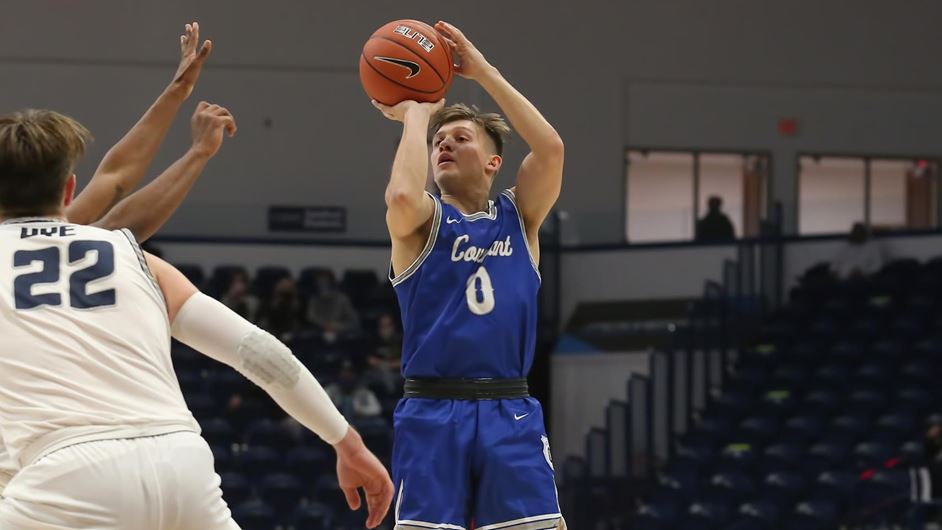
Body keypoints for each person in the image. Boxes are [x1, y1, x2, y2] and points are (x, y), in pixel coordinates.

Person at [0, 93, 393, 530]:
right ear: (69, 187)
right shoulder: (135, 256)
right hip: (180, 461)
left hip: (65, 472)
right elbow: (258, 352)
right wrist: (346, 441)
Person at [0, 21, 226, 499]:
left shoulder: (21, 237)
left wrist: (178, 94)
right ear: (65, 187)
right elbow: (118, 211)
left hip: (42, 461)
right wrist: (197, 151)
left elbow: (115, 185)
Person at [372, 21, 566, 530]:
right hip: (432, 412)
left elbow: (550, 149)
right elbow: (399, 197)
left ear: (493, 163)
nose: (444, 145)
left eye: (461, 138)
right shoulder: (421, 225)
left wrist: (483, 72)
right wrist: (417, 115)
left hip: (510, 410)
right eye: (438, 142)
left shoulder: (520, 217)